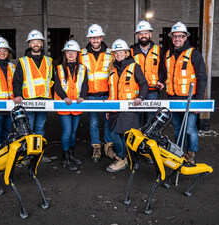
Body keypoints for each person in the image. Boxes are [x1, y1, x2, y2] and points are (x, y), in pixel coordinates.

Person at [163, 22, 207, 165]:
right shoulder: (168, 54)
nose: (177, 39)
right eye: (175, 36)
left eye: (180, 36)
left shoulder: (194, 54)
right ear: (171, 38)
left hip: (190, 99)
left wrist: (198, 102)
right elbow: (164, 74)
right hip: (173, 98)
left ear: (185, 37)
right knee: (177, 127)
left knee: (189, 128)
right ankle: (178, 151)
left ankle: (191, 152)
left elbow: (202, 78)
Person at [106, 39, 148, 172]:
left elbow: (144, 84)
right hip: (114, 107)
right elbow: (111, 89)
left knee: (124, 135)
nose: (118, 54)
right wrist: (108, 107)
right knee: (114, 135)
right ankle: (125, 158)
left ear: (126, 53)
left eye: (121, 52)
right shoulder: (111, 68)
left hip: (129, 108)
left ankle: (122, 158)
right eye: (116, 52)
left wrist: (140, 97)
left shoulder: (134, 66)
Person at [13, 29, 54, 163]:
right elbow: (17, 80)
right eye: (33, 42)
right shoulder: (23, 61)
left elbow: (53, 80)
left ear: (42, 43)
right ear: (29, 44)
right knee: (27, 129)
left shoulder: (49, 61)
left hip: (44, 100)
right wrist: (18, 95)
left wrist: (52, 95)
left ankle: (38, 155)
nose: (36, 44)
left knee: (40, 128)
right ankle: (27, 155)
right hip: (28, 100)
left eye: (38, 42)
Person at [80, 24, 115, 163]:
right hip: (90, 94)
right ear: (89, 38)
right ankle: (96, 148)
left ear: (101, 38)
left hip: (107, 93)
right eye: (92, 38)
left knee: (108, 121)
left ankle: (108, 147)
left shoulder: (110, 53)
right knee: (93, 123)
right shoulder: (81, 54)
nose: (95, 40)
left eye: (97, 37)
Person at [130, 20, 164, 164]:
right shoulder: (131, 51)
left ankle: (148, 152)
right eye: (140, 33)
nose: (143, 35)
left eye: (146, 33)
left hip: (152, 92)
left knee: (151, 123)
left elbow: (164, 69)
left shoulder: (158, 50)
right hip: (136, 92)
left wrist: (161, 79)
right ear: (137, 35)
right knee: (136, 122)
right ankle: (137, 150)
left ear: (150, 34)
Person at [54, 40, 88, 171]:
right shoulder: (59, 68)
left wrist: (83, 96)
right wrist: (65, 97)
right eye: (68, 52)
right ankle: (66, 158)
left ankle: (71, 154)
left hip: (77, 104)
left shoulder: (83, 68)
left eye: (73, 52)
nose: (70, 54)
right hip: (64, 104)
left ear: (77, 53)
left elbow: (85, 85)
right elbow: (57, 86)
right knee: (67, 132)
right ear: (65, 54)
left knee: (73, 132)